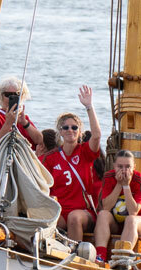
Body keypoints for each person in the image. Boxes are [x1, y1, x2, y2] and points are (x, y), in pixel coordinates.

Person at [42, 84, 104, 241]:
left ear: (80, 132)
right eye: (66, 127)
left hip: (83, 212)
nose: (70, 130)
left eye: (74, 127)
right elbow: (42, 185)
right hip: (60, 211)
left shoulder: (85, 152)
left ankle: (75, 255)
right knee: (43, 218)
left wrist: (89, 106)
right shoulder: (50, 158)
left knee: (74, 218)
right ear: (60, 132)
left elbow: (96, 136)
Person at [94, 148, 141, 263]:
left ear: (134, 167)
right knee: (103, 214)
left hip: (140, 222)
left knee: (131, 220)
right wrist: (119, 185)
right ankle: (100, 255)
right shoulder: (109, 177)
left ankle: (122, 258)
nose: (124, 171)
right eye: (120, 167)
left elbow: (133, 212)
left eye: (128, 167)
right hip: (117, 221)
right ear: (114, 166)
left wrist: (126, 186)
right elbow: (106, 207)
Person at [0, 78, 45, 153]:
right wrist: (8, 123)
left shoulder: (23, 118)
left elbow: (40, 141)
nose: (11, 98)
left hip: (23, 161)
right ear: (1, 96)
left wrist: (25, 123)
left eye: (17, 94)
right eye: (8, 95)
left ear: (22, 96)